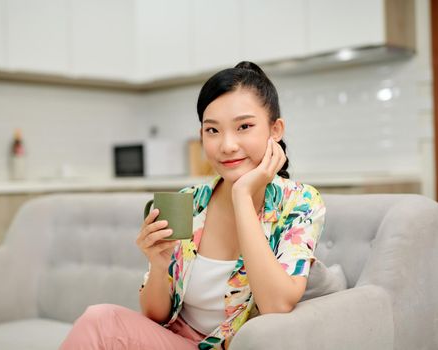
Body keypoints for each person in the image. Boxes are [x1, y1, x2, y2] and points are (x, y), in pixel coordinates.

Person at [60, 61, 326, 350]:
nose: (227, 145)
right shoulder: (190, 200)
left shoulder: (301, 202)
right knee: (100, 320)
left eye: (244, 127)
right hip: (175, 341)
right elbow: (154, 315)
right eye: (212, 130)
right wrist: (158, 265)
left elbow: (276, 304)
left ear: (275, 130)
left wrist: (241, 196)